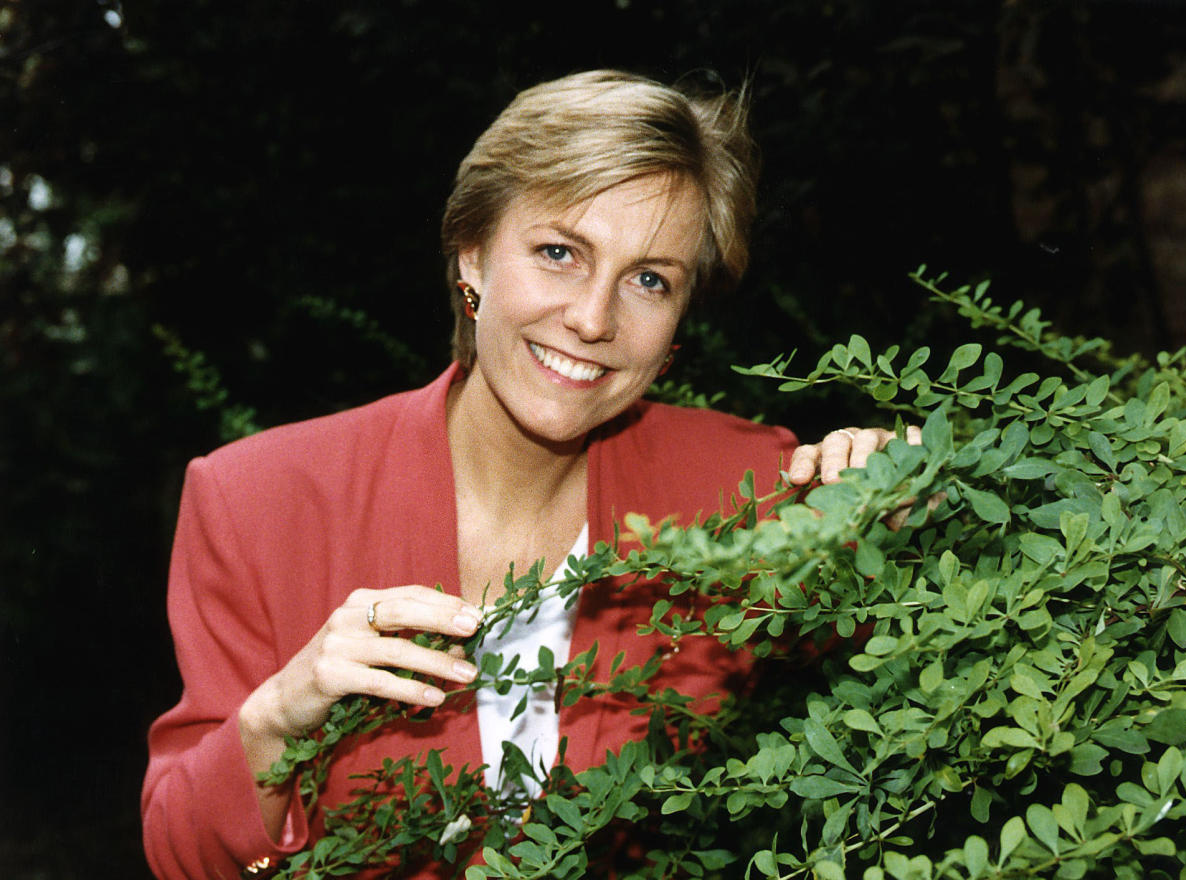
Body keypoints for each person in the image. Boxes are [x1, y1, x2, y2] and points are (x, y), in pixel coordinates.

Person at [141, 69, 902, 880]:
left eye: (650, 279)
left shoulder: (746, 488)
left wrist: (898, 526)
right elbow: (182, 856)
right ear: (471, 254)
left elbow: (885, 686)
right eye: (559, 252)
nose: (593, 318)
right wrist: (277, 722)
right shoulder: (257, 500)